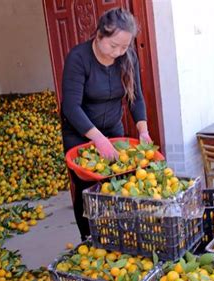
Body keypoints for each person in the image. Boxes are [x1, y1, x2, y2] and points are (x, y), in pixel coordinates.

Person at [61, 8, 152, 240]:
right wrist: (97, 139)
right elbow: (71, 107)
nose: (119, 52)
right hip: (81, 133)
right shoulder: (79, 58)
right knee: (88, 191)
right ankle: (89, 239)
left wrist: (143, 130)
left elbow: (136, 98)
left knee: (118, 184)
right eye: (114, 46)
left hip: (113, 130)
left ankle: (118, 237)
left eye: (124, 47)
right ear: (99, 35)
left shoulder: (127, 57)